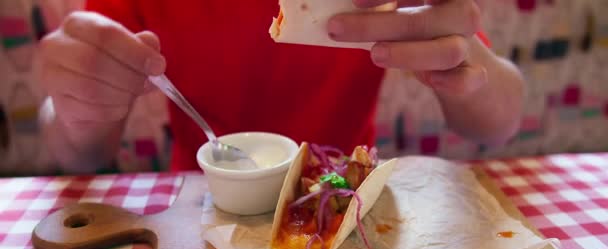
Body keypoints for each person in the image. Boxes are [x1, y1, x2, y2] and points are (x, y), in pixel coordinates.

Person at [39, 0, 524, 174]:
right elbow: (78, 155)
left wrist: (463, 56)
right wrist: (76, 106)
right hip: (201, 207)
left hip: (343, 194)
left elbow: (500, 122)